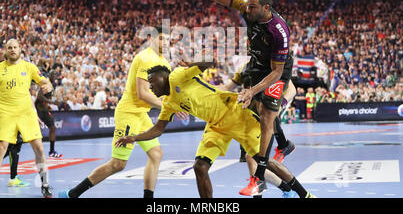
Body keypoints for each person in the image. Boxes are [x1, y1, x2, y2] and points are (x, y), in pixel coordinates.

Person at [153, 0, 296, 196]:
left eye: (253, 8)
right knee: (251, 149)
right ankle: (273, 178)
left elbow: (277, 72)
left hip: (275, 71)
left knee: (266, 118)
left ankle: (270, 166)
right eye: (246, 6)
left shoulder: (279, 32)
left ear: (266, 8)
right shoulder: (247, 7)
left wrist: (251, 91)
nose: (246, 11)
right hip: (256, 68)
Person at [116, 64, 315, 198]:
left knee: (264, 161)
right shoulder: (168, 103)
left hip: (235, 114)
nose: (150, 87)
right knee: (199, 167)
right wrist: (133, 137)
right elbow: (158, 129)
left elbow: (207, 61)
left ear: (163, 76)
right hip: (215, 127)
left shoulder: (178, 75)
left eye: (151, 82)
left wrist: (193, 62)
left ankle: (304, 194)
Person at [58, 28, 186, 198]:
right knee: (118, 164)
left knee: (156, 154)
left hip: (141, 114)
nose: (165, 43)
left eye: (168, 40)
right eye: (161, 39)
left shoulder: (164, 61)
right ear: (150, 39)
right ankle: (73, 194)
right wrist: (168, 107)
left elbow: (163, 92)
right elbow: (143, 93)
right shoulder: (145, 58)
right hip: (129, 113)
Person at [0, 39, 54, 198]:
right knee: (1, 148)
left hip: (26, 113)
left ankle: (45, 184)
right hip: (6, 113)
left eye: (15, 47)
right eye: (9, 47)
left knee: (38, 147)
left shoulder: (29, 67)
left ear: (20, 49)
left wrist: (49, 86)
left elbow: (46, 82)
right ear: (6, 50)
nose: (12, 50)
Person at [34, 70, 63, 158]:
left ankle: (52, 151)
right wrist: (52, 102)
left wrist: (48, 105)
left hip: (44, 110)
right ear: (49, 75)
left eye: (55, 75)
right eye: (53, 74)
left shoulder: (52, 85)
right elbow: (39, 96)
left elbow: (45, 97)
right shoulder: (46, 83)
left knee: (52, 128)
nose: (54, 76)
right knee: (34, 132)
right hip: (38, 110)